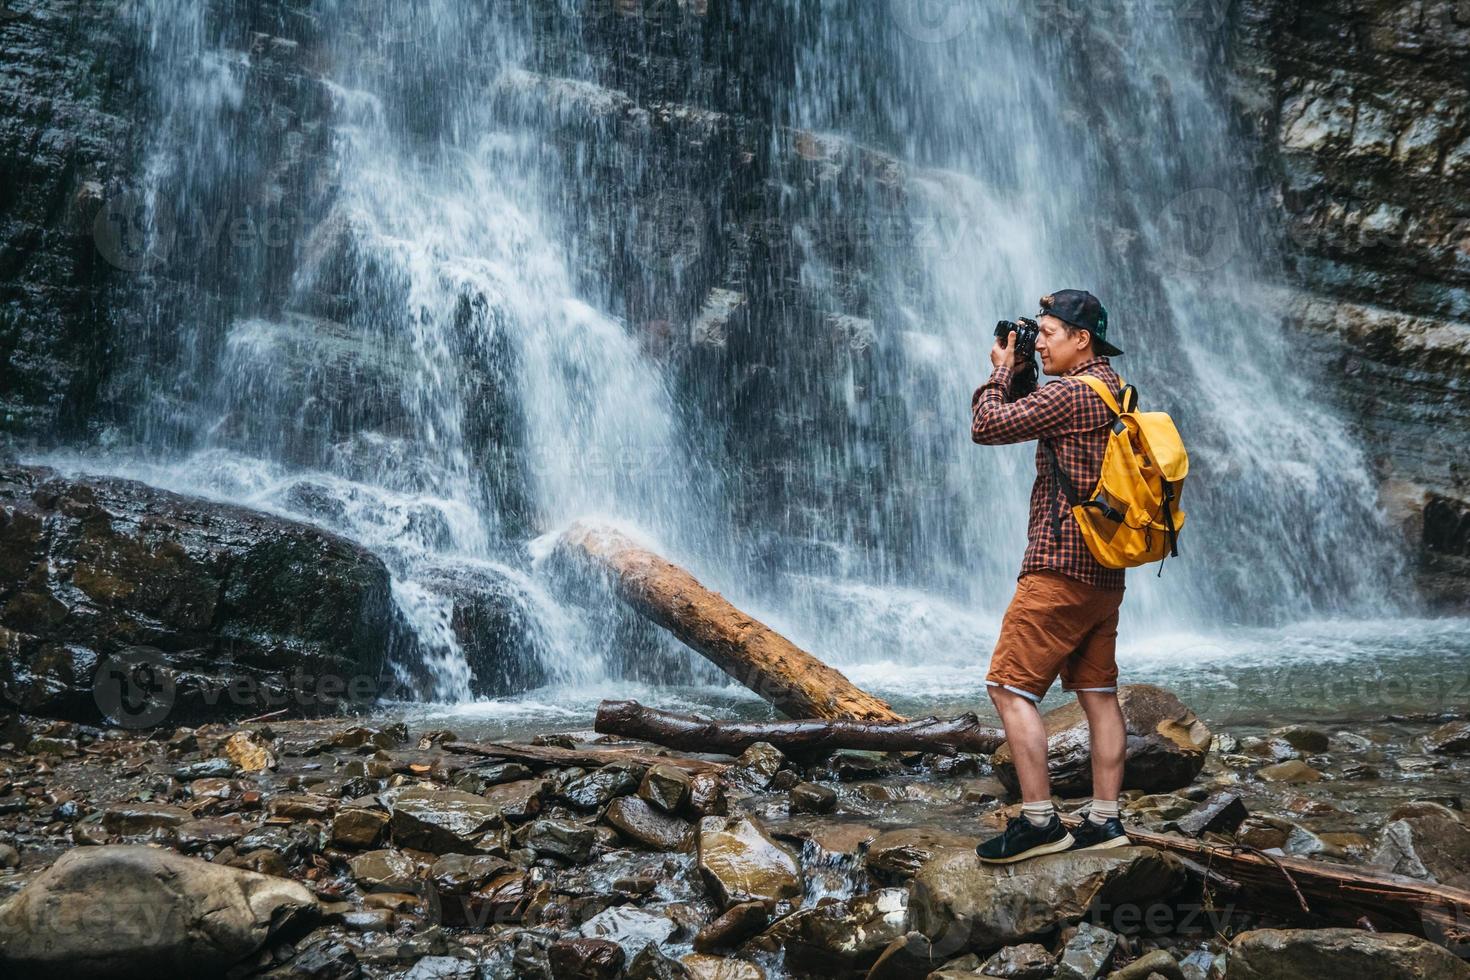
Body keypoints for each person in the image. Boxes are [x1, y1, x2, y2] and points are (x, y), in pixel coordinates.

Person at [968, 289, 1131, 864]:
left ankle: (1040, 822)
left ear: (1081, 338)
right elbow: (1042, 416)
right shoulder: (1111, 388)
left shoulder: (1069, 395)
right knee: (1098, 693)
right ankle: (1105, 819)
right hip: (1105, 573)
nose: (1039, 341)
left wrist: (999, 374)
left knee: (1008, 687)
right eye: (1034, 332)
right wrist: (1024, 376)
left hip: (1058, 567)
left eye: (1048, 333)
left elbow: (989, 426)